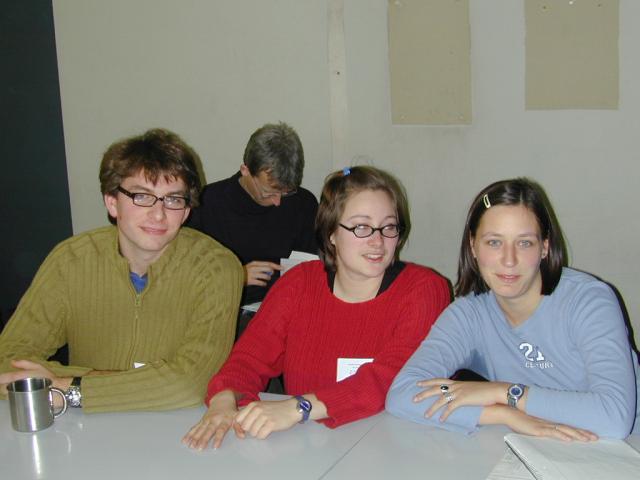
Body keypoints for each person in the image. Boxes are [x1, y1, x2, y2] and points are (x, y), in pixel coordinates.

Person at [182, 166, 450, 449]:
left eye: (389, 227)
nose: (378, 241)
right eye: (361, 227)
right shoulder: (299, 283)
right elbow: (249, 359)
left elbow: (394, 379)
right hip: (310, 448)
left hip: (401, 447)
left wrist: (300, 407)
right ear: (331, 232)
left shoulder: (424, 288)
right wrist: (225, 398)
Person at [0, 128, 243, 412]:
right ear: (112, 202)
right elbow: (8, 361)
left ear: (187, 211)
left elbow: (190, 385)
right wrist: (130, 385)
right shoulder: (71, 260)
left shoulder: (217, 267)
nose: (158, 214)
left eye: (173, 199)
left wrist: (68, 387)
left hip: (180, 424)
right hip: (84, 426)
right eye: (142, 196)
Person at [386, 178, 640, 440]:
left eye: (524, 243)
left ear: (545, 246)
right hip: (548, 448)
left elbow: (615, 418)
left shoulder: (589, 301)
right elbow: (403, 394)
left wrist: (505, 393)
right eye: (494, 242)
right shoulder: (468, 315)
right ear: (473, 246)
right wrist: (504, 414)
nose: (509, 260)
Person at [188, 122, 318, 319]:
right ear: (245, 170)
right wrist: (236, 275)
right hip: (226, 310)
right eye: (268, 193)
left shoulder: (303, 203)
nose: (277, 202)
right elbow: (187, 277)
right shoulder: (207, 204)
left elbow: (311, 268)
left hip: (288, 308)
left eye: (286, 192)